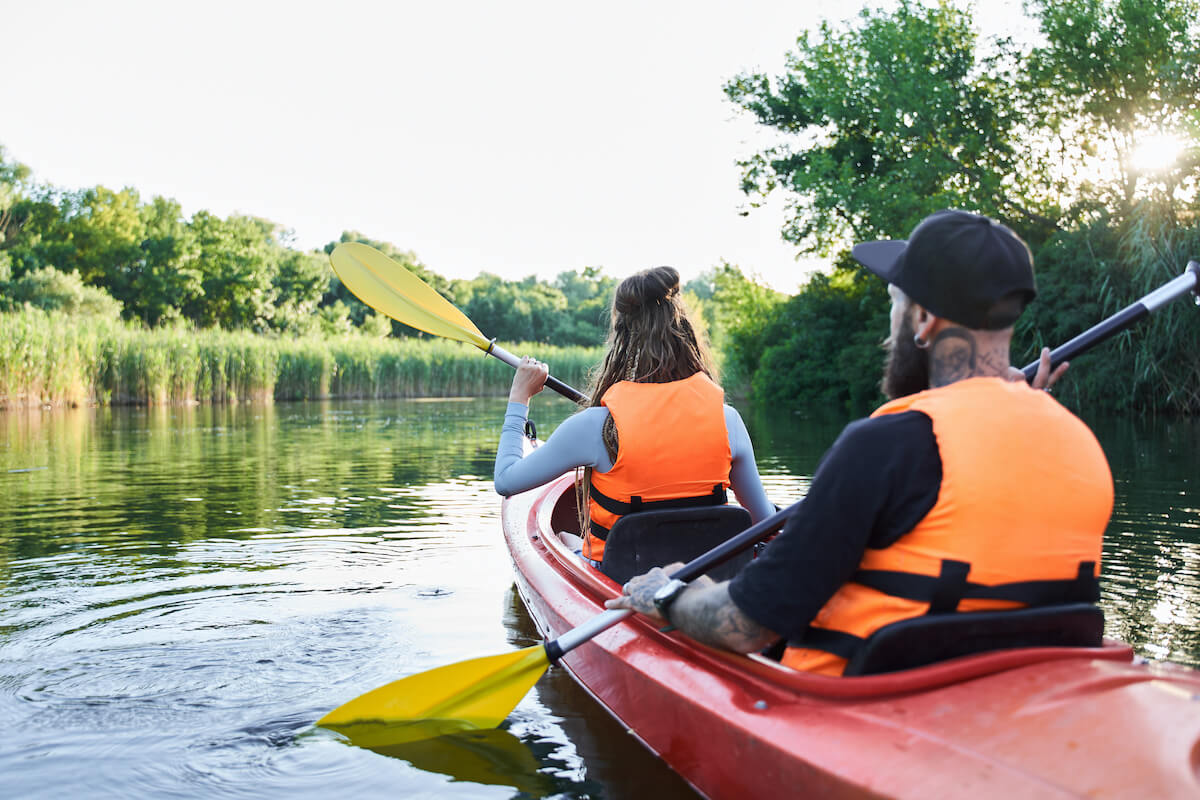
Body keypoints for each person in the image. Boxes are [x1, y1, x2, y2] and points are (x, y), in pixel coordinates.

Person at [607, 209, 1115, 676]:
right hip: (1012, 692)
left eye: (894, 306)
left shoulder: (888, 445)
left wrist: (670, 592)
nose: (889, 329)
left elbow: (745, 626)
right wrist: (1007, 412)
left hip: (861, 704)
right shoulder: (1077, 441)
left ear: (922, 320)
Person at [494, 265, 775, 567]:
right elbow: (766, 523)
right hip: (708, 578)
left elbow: (506, 480)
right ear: (685, 334)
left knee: (566, 538)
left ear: (620, 338)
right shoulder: (727, 420)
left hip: (622, 583)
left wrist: (519, 397)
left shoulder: (595, 428)